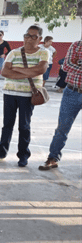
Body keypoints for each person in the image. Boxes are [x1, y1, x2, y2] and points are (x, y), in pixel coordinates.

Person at [0, 25, 49, 167]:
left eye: (33, 36)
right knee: (7, 125)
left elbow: (40, 70)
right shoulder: (14, 53)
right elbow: (5, 72)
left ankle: (23, 155)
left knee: (24, 126)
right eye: (27, 35)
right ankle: (1, 152)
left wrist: (16, 68)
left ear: (39, 38)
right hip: (10, 93)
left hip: (29, 95)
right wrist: (28, 71)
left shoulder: (43, 53)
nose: (29, 39)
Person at [39, 40, 82, 171]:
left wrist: (77, 65)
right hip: (72, 92)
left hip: (73, 90)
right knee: (62, 127)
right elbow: (66, 66)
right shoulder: (77, 45)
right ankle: (52, 158)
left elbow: (72, 66)